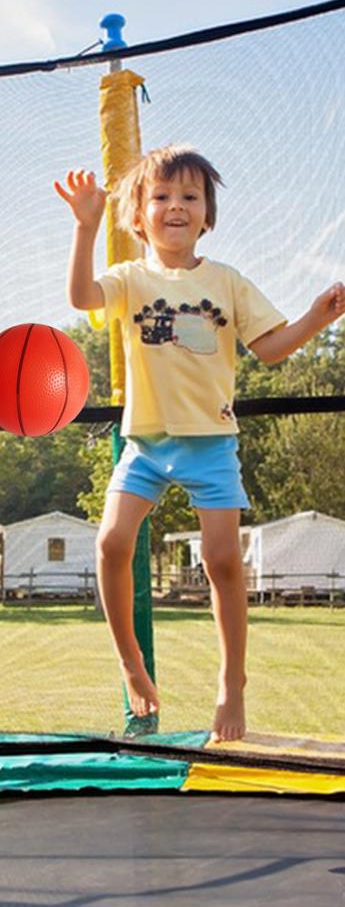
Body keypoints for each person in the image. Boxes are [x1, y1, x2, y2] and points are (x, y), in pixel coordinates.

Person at [55, 145, 345, 742]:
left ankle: (231, 684)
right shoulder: (130, 278)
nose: (175, 206)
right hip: (146, 439)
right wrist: (86, 228)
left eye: (189, 197)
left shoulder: (226, 282)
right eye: (161, 197)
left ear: (207, 214)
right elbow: (82, 299)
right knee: (111, 543)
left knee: (222, 562)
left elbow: (269, 346)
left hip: (211, 442)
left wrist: (317, 317)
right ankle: (133, 668)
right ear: (138, 216)